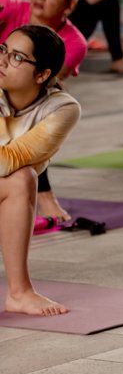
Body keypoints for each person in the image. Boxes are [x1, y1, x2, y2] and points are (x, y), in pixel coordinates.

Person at [1, 25, 80, 316]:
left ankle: (19, 293)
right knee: (20, 179)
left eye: (17, 57)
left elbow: (13, 159)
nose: (3, 61)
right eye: (3, 50)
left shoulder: (61, 108)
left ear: (42, 75)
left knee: (22, 178)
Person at [0, 0, 87, 225]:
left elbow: (37, 88)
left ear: (68, 5)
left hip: (23, 100)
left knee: (40, 115)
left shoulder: (73, 42)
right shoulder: (10, 6)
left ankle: (44, 191)